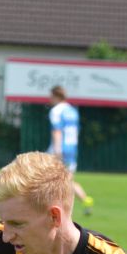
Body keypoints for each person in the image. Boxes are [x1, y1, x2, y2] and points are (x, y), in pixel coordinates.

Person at [48, 86, 95, 216]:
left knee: (48, 180)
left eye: (50, 96)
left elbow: (57, 130)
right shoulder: (72, 111)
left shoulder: (56, 111)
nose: (49, 99)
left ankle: (55, 210)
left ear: (55, 96)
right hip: (72, 149)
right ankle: (85, 200)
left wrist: (57, 151)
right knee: (67, 180)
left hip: (60, 149)